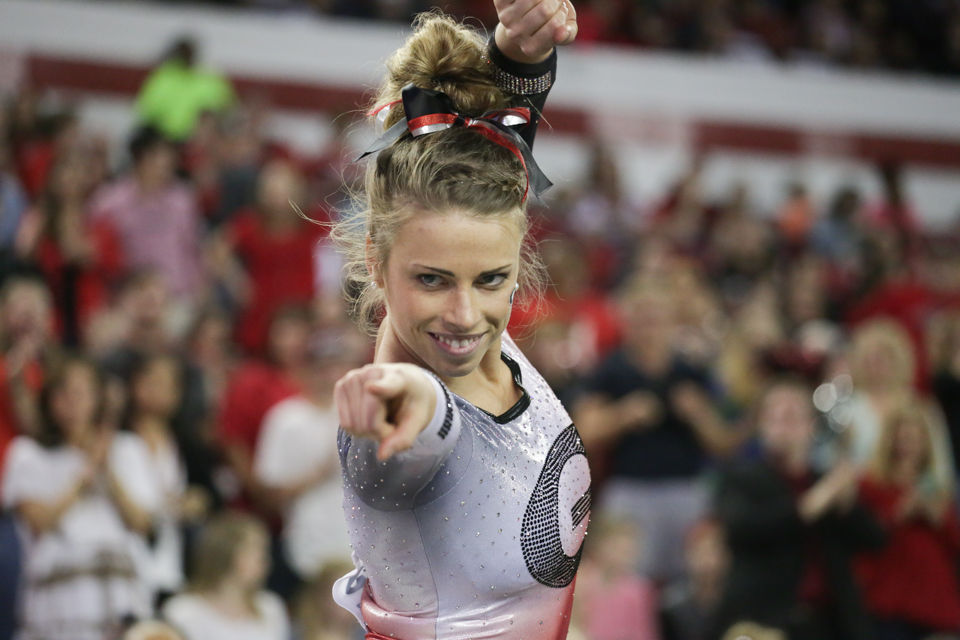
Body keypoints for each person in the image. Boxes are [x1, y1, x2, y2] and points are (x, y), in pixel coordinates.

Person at [330, 2, 585, 638]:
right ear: (375, 260)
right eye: (431, 280)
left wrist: (519, 51)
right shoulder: (388, 441)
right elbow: (415, 423)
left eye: (491, 279)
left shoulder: (474, 231)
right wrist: (407, 402)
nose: (466, 317)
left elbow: (495, 162)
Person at [712, 378, 886, 640]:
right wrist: (810, 505)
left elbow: (874, 539)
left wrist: (847, 504)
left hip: (828, 621)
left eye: (792, 416)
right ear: (761, 427)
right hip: (764, 619)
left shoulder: (824, 481)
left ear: (809, 426)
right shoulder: (741, 478)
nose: (784, 426)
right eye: (775, 417)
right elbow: (741, 529)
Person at [1, 356, 160, 640]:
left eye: (81, 393)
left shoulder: (127, 449)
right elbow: (39, 522)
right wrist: (83, 478)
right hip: (59, 592)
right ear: (48, 399)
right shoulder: (28, 454)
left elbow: (143, 523)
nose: (72, 402)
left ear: (98, 398)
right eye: (62, 393)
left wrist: (107, 470)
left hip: (119, 588)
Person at [856, 401, 960, 640]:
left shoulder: (939, 489)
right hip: (889, 600)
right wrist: (900, 513)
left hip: (936, 601)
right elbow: (866, 538)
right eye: (902, 437)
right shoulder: (870, 485)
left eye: (914, 438)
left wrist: (937, 517)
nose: (908, 445)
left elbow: (954, 545)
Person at [162, 512, 289, 640]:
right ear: (226, 554)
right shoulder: (184, 611)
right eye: (256, 551)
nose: (264, 560)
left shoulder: (270, 608)